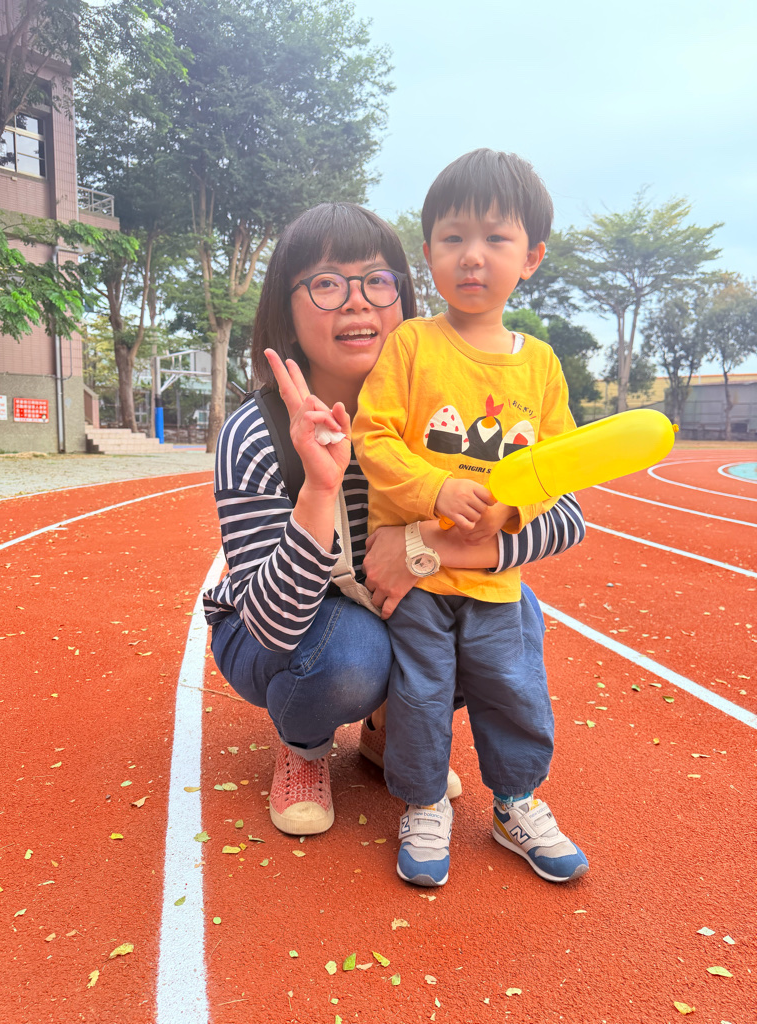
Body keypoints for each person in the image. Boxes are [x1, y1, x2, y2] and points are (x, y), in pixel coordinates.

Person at [203, 200, 586, 841]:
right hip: (274, 629)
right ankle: (303, 746)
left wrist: (422, 549)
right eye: (327, 283)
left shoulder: (436, 405)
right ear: (287, 309)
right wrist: (319, 489)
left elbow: (566, 515)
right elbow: (271, 624)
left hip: (398, 597)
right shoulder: (257, 433)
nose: (357, 303)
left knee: (505, 613)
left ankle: (390, 733)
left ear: (403, 297)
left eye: (377, 281)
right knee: (353, 655)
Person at [352, 150, 589, 887]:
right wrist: (435, 490)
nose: (472, 256)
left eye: (496, 238)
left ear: (532, 258)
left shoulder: (541, 366)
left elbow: (558, 466)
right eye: (453, 238)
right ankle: (425, 804)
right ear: (428, 254)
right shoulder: (412, 345)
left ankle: (516, 804)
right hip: (420, 586)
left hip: (497, 586)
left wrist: (514, 508)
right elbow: (373, 435)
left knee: (514, 691)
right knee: (419, 697)